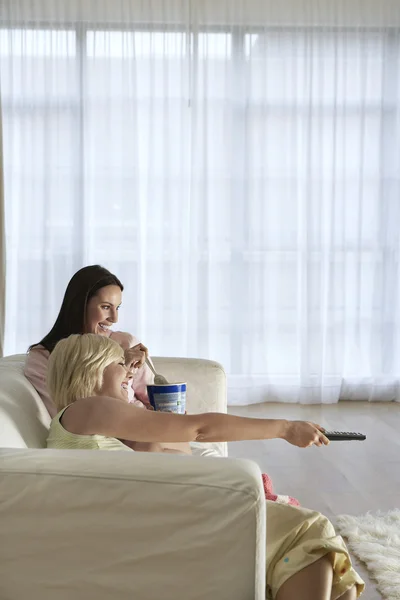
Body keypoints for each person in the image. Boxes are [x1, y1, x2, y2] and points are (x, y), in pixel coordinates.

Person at [46, 333, 364, 600]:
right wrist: (284, 428)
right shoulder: (87, 409)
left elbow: (181, 446)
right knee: (309, 528)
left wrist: (123, 368)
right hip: (156, 523)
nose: (130, 373)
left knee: (326, 552)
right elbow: (199, 428)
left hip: (149, 517)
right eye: (120, 365)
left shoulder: (88, 421)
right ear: (91, 368)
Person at [25, 265, 152, 418]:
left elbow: (155, 398)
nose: (114, 318)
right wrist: (120, 368)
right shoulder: (45, 357)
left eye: (117, 308)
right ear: (80, 306)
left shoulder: (126, 342)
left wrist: (171, 412)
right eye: (105, 307)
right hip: (113, 430)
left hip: (145, 424)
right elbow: (67, 414)